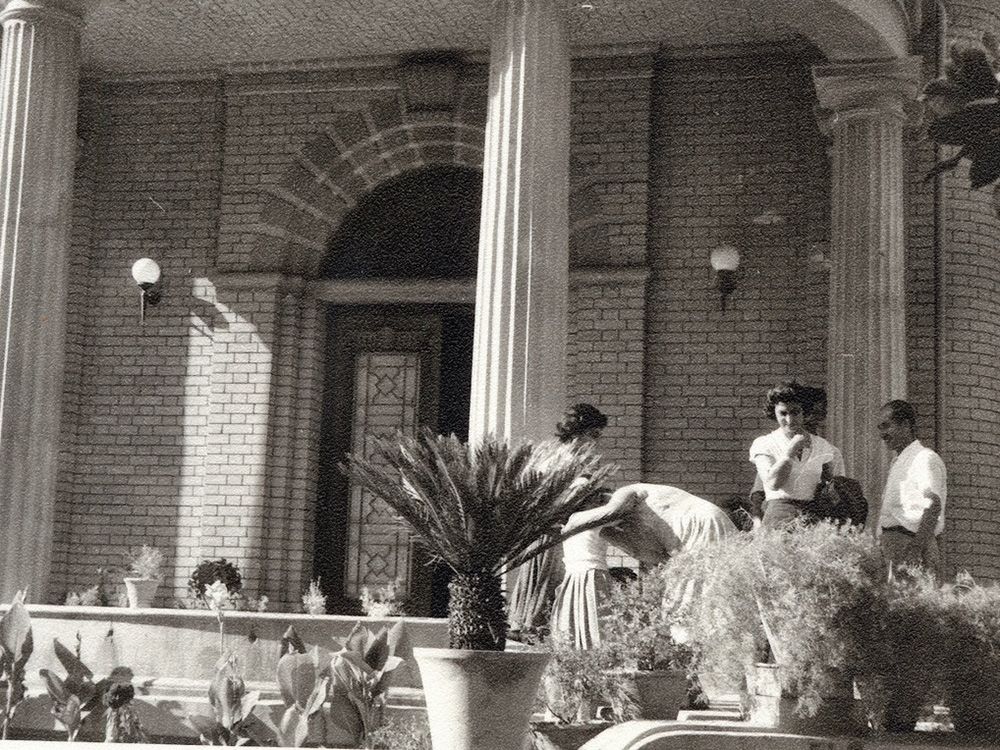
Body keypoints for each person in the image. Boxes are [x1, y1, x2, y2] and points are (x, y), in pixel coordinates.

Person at [507, 403, 608, 640]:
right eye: (593, 435)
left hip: (554, 528)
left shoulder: (567, 458)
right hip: (549, 529)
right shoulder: (564, 460)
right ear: (577, 434)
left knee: (547, 580)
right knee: (546, 578)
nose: (596, 443)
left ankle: (533, 627)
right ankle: (532, 629)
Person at [750, 381, 845, 529]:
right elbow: (773, 483)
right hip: (777, 519)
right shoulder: (764, 443)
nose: (789, 420)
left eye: (795, 412)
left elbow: (836, 489)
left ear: (804, 412)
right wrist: (790, 451)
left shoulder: (823, 446)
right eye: (783, 413)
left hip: (812, 520)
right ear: (774, 412)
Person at [876, 399, 947, 578]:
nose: (882, 434)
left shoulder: (923, 458)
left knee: (912, 596)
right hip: (893, 548)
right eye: (880, 428)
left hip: (912, 547)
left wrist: (915, 550)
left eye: (886, 426)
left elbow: (933, 505)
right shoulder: (898, 462)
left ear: (906, 425)